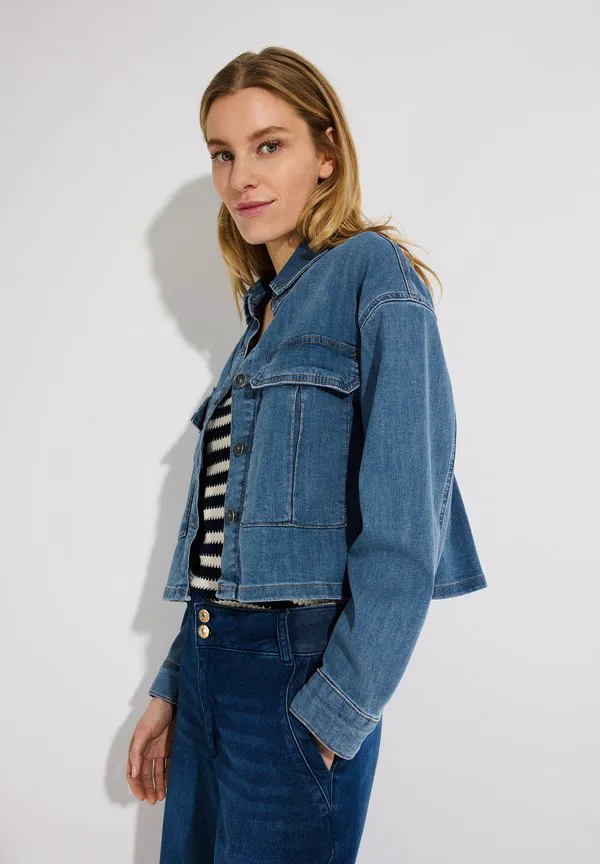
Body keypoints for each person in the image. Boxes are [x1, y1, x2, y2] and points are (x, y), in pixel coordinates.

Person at [126, 46, 487, 863]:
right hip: (211, 668)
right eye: (222, 154)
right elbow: (224, 543)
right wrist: (175, 686)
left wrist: (335, 716)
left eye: (269, 145)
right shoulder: (258, 324)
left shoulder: (373, 275)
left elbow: (406, 524)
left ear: (327, 154)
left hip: (295, 681)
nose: (241, 177)